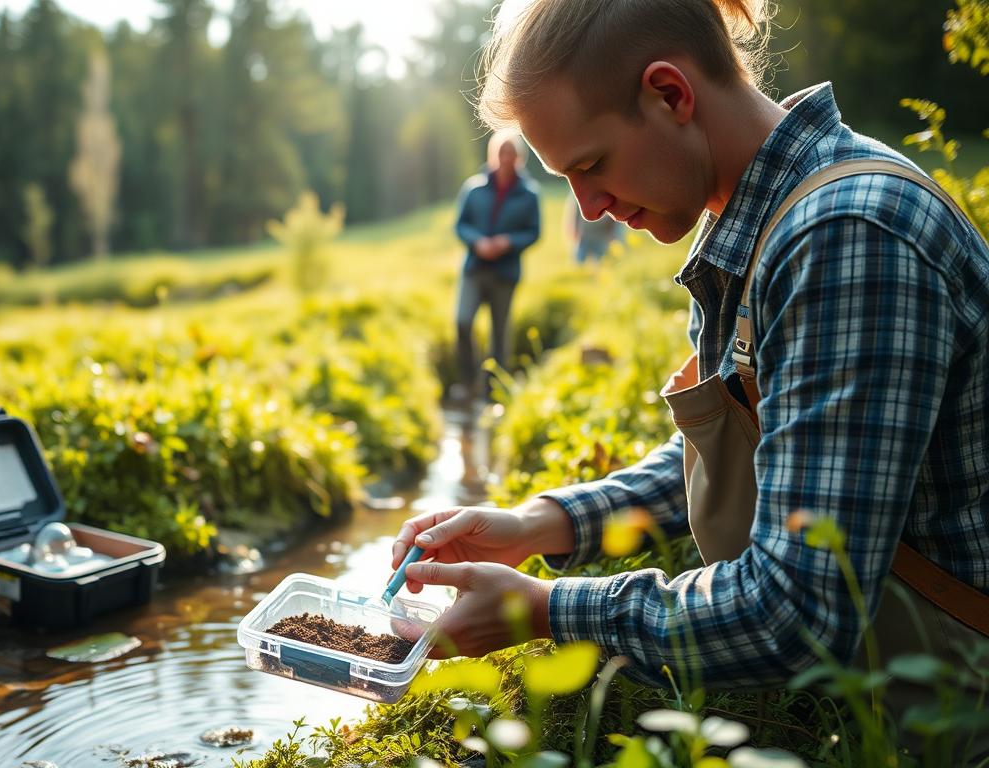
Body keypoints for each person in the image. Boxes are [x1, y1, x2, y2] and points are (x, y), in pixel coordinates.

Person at [392, 0, 989, 746]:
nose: (592, 208)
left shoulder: (846, 237)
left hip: (958, 710)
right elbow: (758, 447)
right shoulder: (765, 214)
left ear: (670, 94)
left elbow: (798, 611)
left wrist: (545, 609)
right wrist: (539, 524)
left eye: (591, 166)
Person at [450, 131, 541, 403]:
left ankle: (494, 395)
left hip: (506, 274)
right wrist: (477, 242)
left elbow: (534, 232)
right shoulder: (474, 188)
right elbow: (460, 225)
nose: (506, 159)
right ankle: (468, 383)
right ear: (493, 155)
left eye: (511, 154)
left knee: (499, 335)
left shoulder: (530, 194)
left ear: (519, 158)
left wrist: (508, 242)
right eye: (501, 153)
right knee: (462, 321)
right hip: (474, 269)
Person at [565, 196, 620, 265]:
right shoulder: (581, 191)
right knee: (579, 262)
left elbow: (616, 218)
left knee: (601, 263)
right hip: (584, 235)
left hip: (601, 236)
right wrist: (574, 229)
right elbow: (575, 211)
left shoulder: (611, 192)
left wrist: (614, 235)